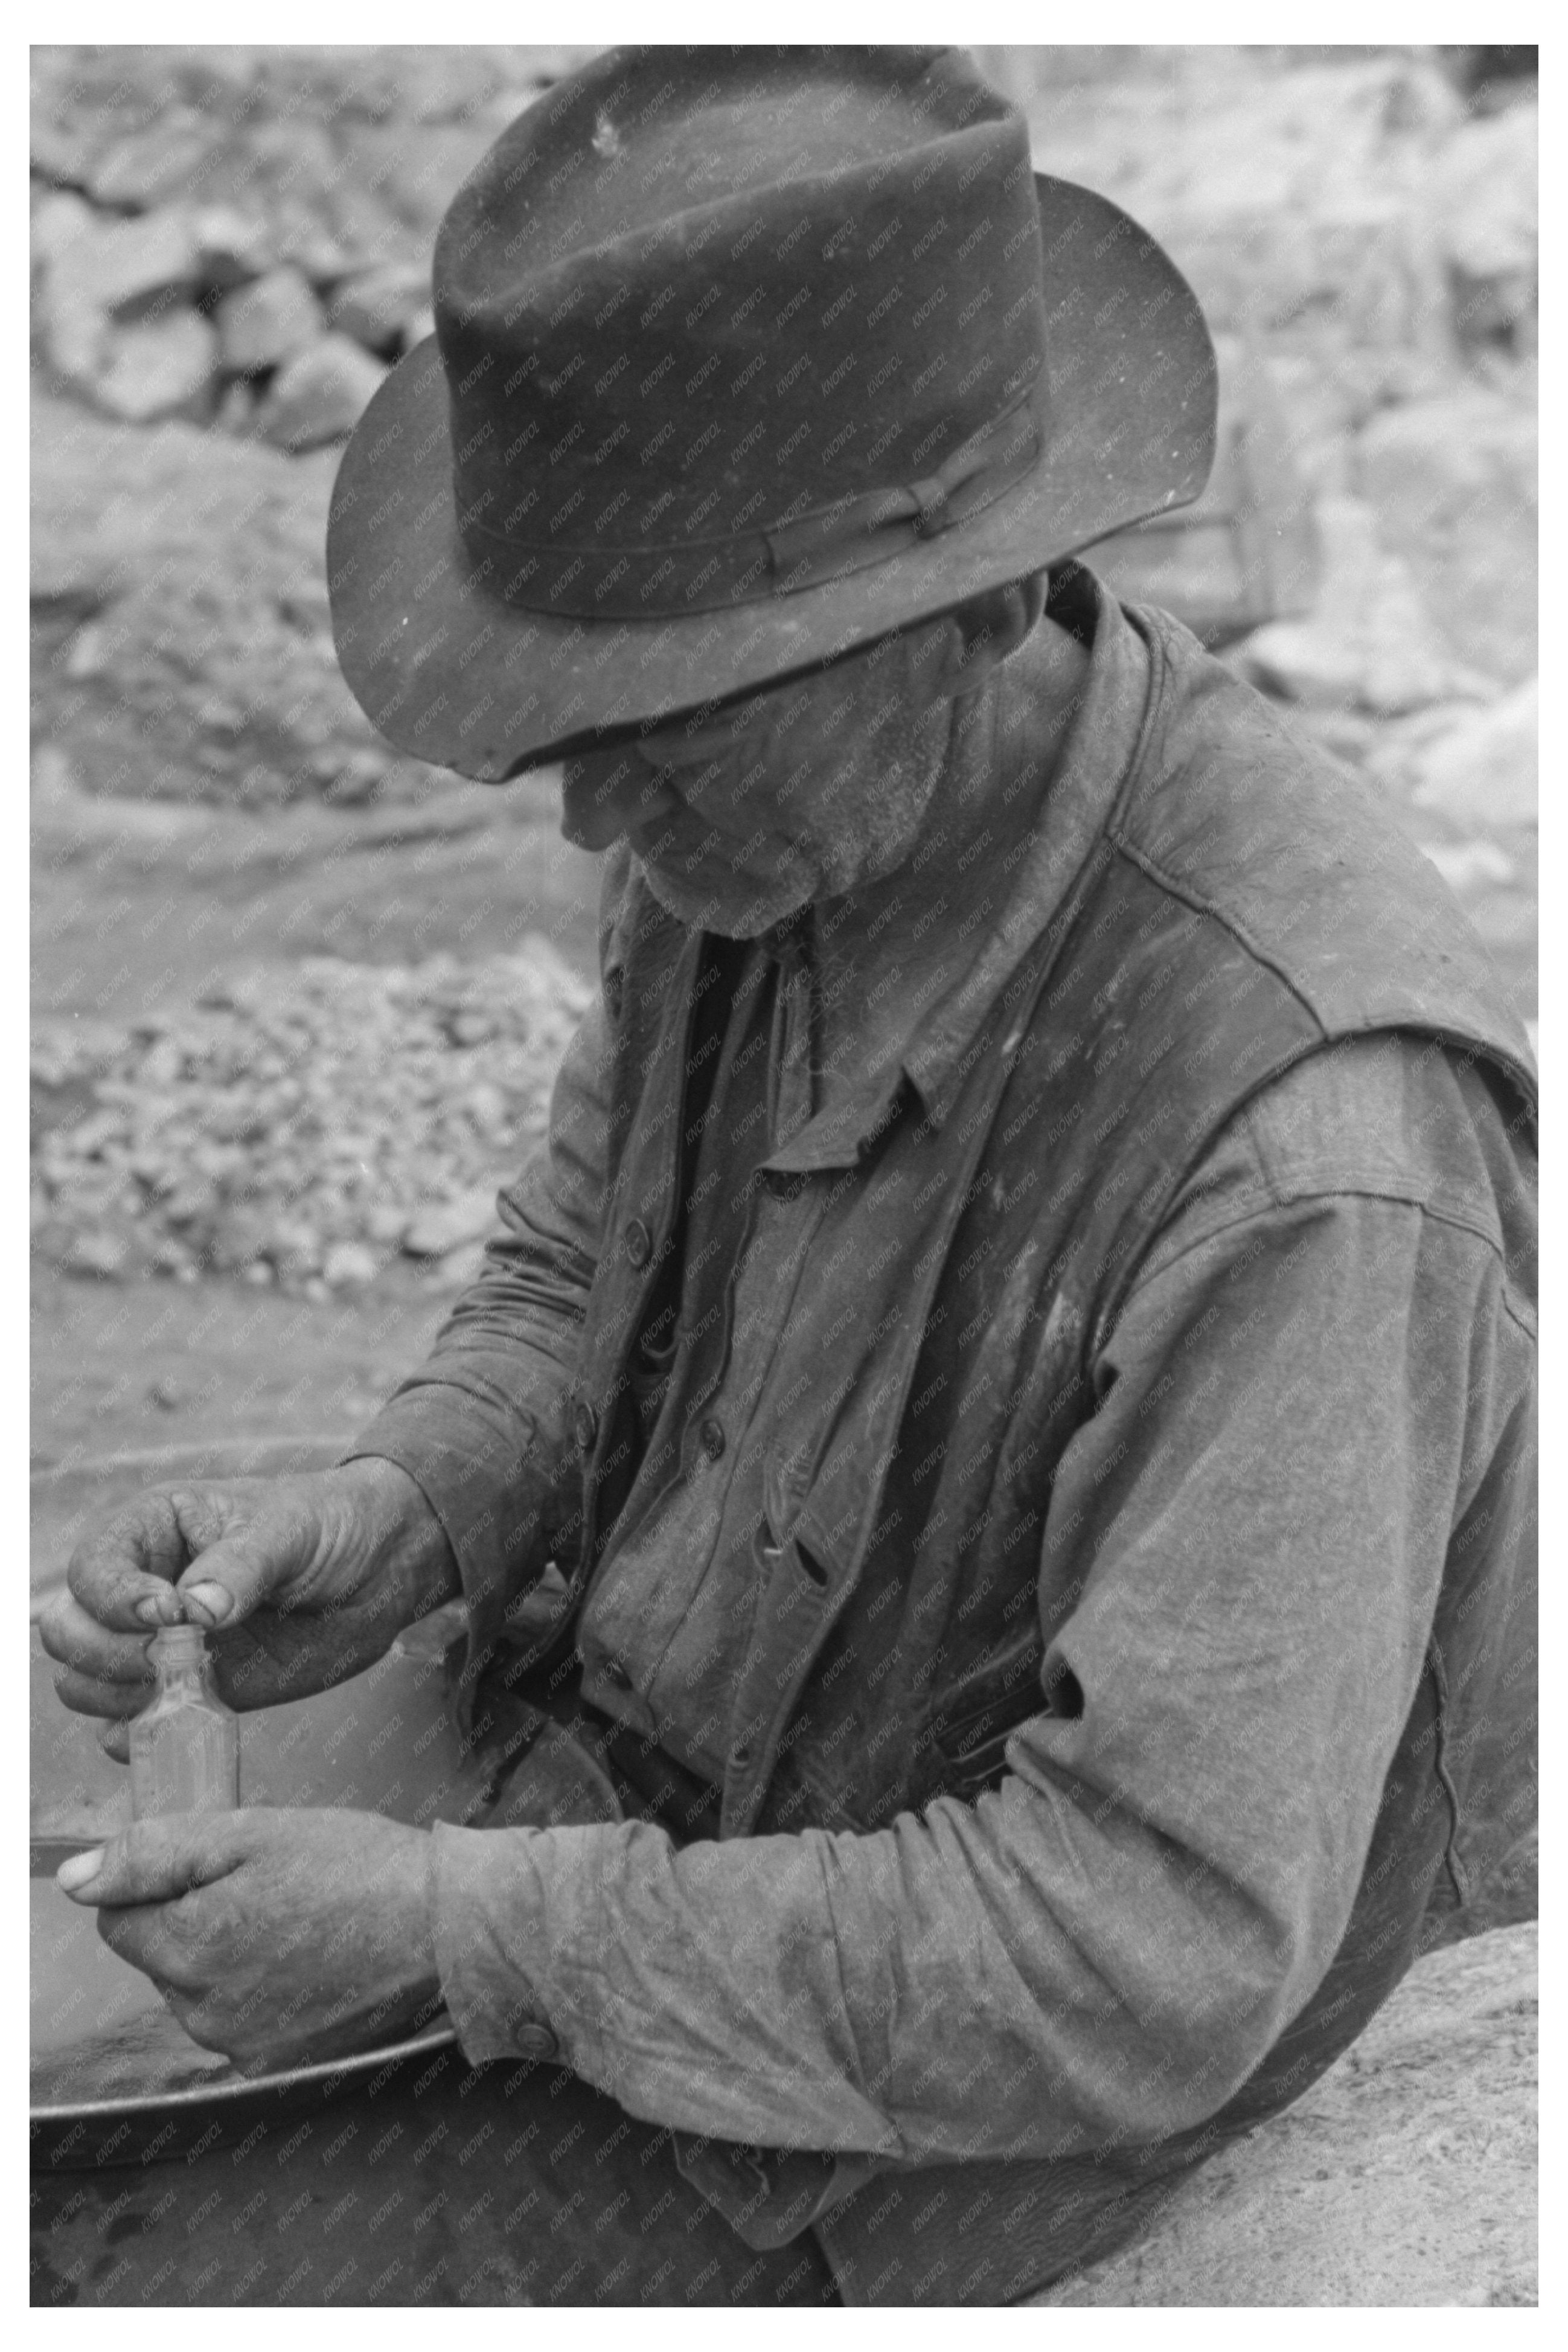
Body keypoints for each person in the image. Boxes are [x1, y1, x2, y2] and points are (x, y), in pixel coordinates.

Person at [40, 48, 1537, 2307]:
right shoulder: (766, 827)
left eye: (658, 726)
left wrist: (469, 1931)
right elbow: (581, 1269)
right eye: (576, 730)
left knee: (112, 2265)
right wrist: (413, 1507)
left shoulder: (1306, 1142)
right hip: (661, 1823)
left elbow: (1144, 1946)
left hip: (944, 2114)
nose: (586, 822)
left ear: (955, 601)